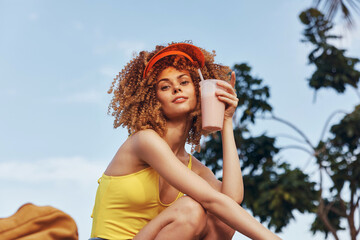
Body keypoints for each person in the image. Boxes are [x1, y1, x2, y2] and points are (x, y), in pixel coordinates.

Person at [90, 42, 281, 240]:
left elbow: (231, 201)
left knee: (223, 217)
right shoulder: (144, 141)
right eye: (165, 86)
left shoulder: (195, 169)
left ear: (199, 91)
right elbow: (211, 200)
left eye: (184, 82)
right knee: (191, 209)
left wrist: (226, 121)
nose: (176, 89)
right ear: (153, 99)